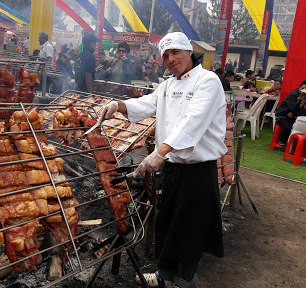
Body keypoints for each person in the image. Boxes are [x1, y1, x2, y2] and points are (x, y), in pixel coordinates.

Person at [99, 32, 226, 288]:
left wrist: (160, 152)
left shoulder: (207, 81)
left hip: (198, 172)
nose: (170, 59)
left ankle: (183, 282)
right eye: (166, 55)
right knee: (166, 222)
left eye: (175, 52)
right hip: (173, 169)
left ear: (188, 51)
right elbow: (148, 103)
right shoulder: (168, 84)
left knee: (189, 229)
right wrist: (119, 105)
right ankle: (163, 276)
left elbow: (194, 121)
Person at [274, 80, 306, 145]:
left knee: (300, 127)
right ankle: (281, 139)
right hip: (282, 115)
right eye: (302, 88)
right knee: (289, 127)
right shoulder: (294, 95)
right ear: (299, 87)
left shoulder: (303, 95)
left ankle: (295, 144)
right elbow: (294, 109)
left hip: (291, 116)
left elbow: (295, 111)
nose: (304, 91)